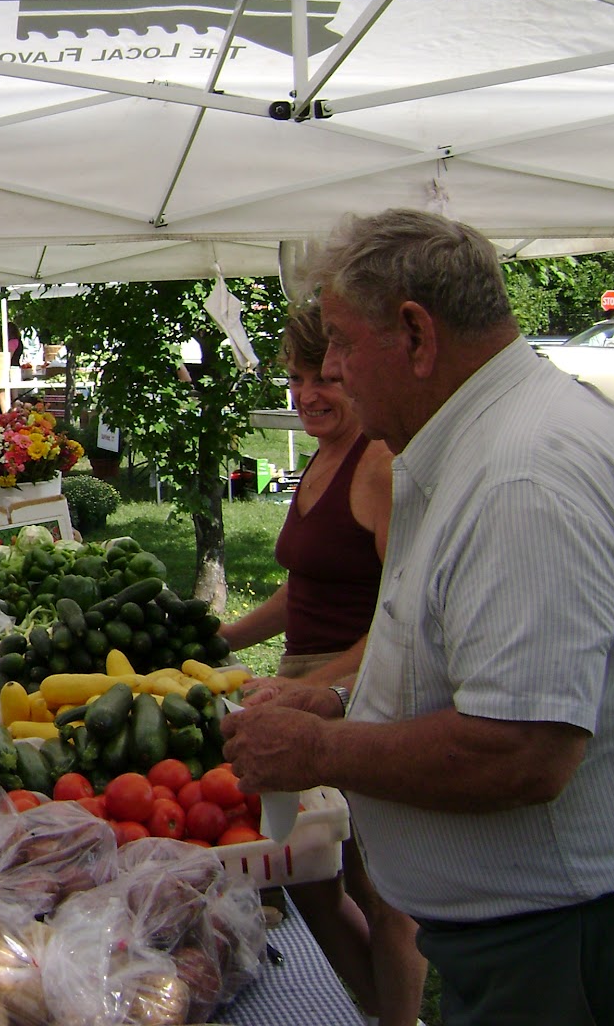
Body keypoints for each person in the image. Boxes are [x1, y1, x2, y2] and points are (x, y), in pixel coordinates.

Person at [224, 208, 614, 1026]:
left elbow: (522, 753)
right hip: (558, 927)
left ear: (415, 334)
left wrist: (323, 747)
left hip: (586, 937)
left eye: (338, 342)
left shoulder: (523, 477)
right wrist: (333, 699)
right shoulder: (476, 439)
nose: (328, 369)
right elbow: (453, 646)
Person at [218, 303, 425, 1026]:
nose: (306, 395)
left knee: (383, 897)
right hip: (304, 687)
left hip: (362, 699)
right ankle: (373, 1003)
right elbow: (302, 585)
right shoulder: (324, 454)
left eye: (325, 379)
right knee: (304, 871)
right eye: (296, 379)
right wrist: (225, 640)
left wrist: (316, 688)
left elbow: (403, 621)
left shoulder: (378, 464)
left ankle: (395, 1015)